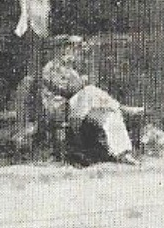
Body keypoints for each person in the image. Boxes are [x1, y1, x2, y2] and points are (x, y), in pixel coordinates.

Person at [38, 38, 139, 166]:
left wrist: (81, 79)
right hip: (61, 108)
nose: (69, 51)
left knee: (109, 114)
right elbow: (66, 90)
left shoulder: (72, 67)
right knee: (90, 90)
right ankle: (122, 107)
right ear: (55, 51)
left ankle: (123, 153)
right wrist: (82, 82)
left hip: (80, 108)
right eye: (65, 48)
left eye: (70, 47)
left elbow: (80, 87)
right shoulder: (50, 68)